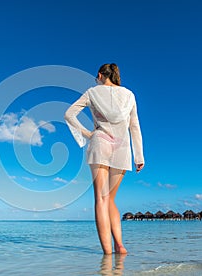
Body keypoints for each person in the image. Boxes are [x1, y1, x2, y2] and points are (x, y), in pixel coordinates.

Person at [64, 63, 145, 254]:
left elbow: (69, 114)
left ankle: (107, 257)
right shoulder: (129, 95)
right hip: (123, 147)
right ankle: (120, 246)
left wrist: (87, 133)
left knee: (101, 199)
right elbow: (135, 126)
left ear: (100, 75)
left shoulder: (92, 92)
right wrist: (139, 156)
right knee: (110, 199)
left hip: (100, 142)